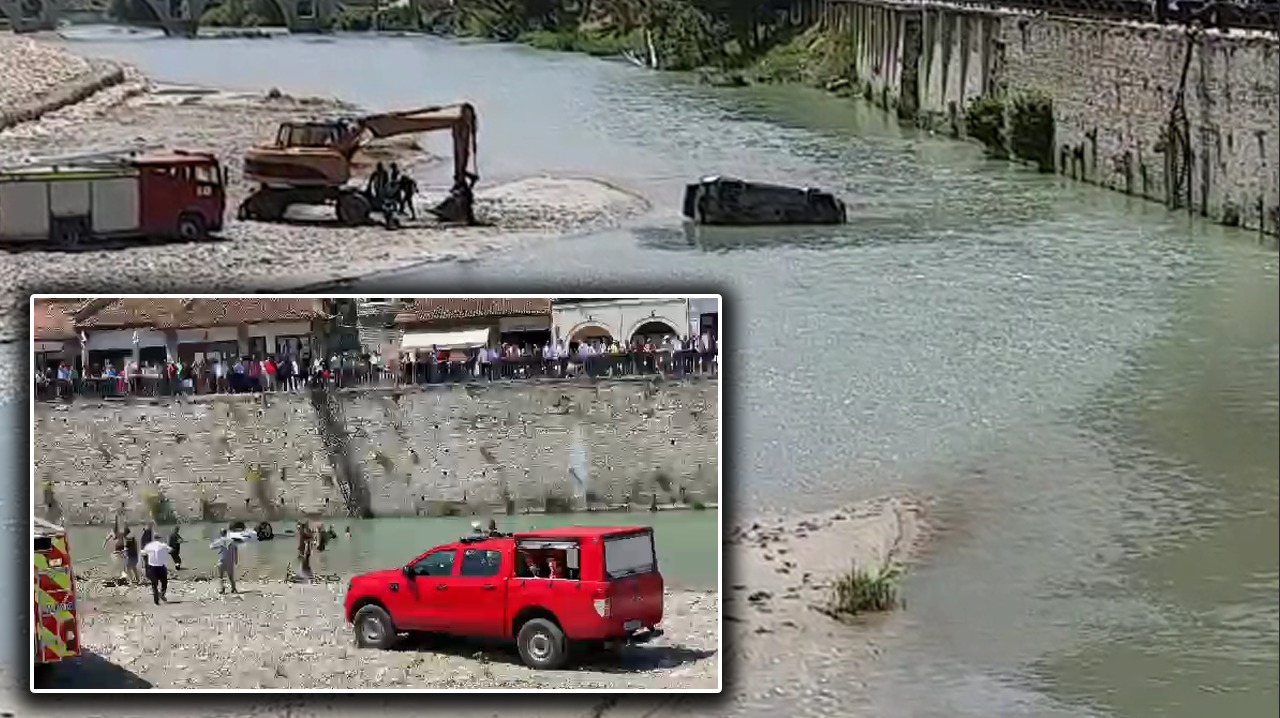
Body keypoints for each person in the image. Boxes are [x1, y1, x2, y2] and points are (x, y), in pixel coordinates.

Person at [141, 535, 172, 605]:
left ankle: (156, 599)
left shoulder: (149, 546)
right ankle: (162, 594)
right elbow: (170, 550)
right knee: (164, 582)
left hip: (152, 567)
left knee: (154, 584)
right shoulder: (163, 545)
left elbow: (143, 553)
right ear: (160, 539)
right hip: (161, 566)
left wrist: (148, 554)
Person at [213, 529, 239, 594]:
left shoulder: (220, 540)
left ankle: (222, 589)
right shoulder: (232, 541)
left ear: (221, 533)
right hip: (230, 561)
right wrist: (236, 560)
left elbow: (212, 546)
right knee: (231, 577)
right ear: (226, 533)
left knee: (220, 576)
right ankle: (233, 589)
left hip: (222, 561)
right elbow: (236, 549)